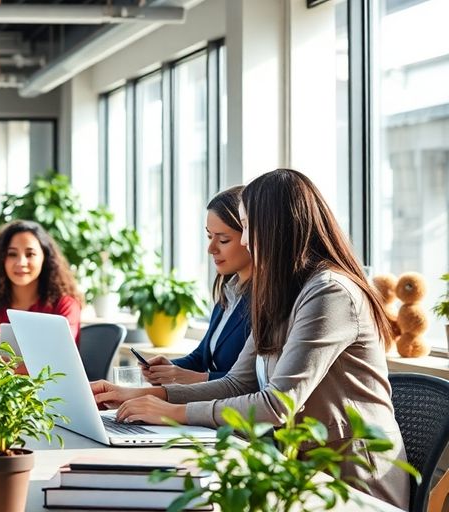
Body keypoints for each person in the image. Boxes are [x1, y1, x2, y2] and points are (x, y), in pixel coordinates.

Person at [90, 169, 409, 508]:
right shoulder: (281, 291)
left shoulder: (330, 293)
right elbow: (237, 384)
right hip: (300, 467)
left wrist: (172, 412)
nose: (243, 241)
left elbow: (277, 404)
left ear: (276, 230)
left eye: (247, 228)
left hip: (350, 479)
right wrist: (141, 395)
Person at [141, 186, 252, 384]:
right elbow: (202, 356)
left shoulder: (266, 302)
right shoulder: (229, 293)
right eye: (210, 236)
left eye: (224, 240)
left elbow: (252, 383)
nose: (211, 249)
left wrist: (194, 378)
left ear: (249, 237)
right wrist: (170, 368)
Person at [0, 220, 82, 343]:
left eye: (30, 254)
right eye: (12, 254)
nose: (21, 263)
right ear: (1, 259)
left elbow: (58, 352)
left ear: (45, 258)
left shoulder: (64, 306)